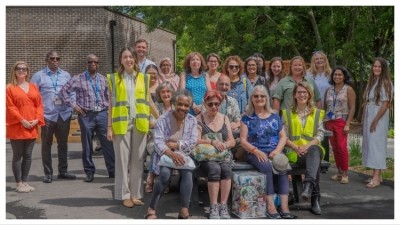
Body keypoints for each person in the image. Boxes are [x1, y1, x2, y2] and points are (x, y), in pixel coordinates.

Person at [106, 47, 153, 208]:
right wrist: (109, 127)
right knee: (122, 161)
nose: (129, 60)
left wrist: (160, 118)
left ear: (135, 59)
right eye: (125, 57)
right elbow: (110, 105)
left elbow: (148, 101)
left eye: (131, 57)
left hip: (140, 123)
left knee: (138, 161)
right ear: (121, 60)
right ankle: (124, 195)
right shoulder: (113, 78)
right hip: (121, 124)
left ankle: (135, 194)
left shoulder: (144, 77)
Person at [240, 85, 296, 219]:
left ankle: (284, 207)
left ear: (267, 98)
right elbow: (242, 141)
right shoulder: (247, 117)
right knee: (266, 167)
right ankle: (270, 207)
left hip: (274, 151)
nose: (259, 98)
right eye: (256, 96)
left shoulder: (275, 116)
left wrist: (277, 151)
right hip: (255, 152)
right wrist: (256, 151)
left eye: (262, 96)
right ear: (252, 99)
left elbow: (283, 137)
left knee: (282, 168)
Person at [59, 54, 115, 182]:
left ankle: (112, 171)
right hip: (86, 115)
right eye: (90, 61)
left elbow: (108, 97)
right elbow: (63, 92)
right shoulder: (78, 78)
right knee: (87, 145)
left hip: (102, 114)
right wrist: (74, 106)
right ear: (87, 63)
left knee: (108, 144)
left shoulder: (103, 79)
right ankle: (89, 172)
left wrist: (106, 109)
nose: (93, 63)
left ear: (98, 64)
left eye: (96, 61)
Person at [145, 90, 198, 219]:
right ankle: (151, 208)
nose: (183, 108)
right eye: (180, 104)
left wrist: (176, 145)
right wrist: (172, 154)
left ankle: (184, 210)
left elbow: (193, 141)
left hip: (183, 154)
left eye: (186, 106)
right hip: (166, 155)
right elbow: (158, 142)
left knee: (187, 173)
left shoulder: (192, 120)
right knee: (164, 174)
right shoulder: (163, 119)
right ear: (174, 103)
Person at [31, 51, 76, 183]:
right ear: (47, 60)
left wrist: (72, 107)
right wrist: (36, 114)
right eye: (52, 58)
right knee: (46, 144)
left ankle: (63, 171)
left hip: (64, 114)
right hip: (47, 115)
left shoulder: (66, 75)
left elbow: (72, 92)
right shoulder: (38, 76)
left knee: (63, 144)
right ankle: (48, 173)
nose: (55, 60)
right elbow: (33, 96)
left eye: (57, 58)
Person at [282, 82, 325, 215]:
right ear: (294, 95)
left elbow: (320, 133)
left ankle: (307, 187)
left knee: (315, 152)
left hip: (311, 150)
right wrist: (296, 148)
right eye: (299, 92)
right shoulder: (286, 113)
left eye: (305, 92)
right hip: (295, 153)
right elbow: (283, 135)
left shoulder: (317, 113)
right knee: (315, 160)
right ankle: (314, 197)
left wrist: (308, 146)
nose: (302, 95)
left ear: (309, 95)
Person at [196, 90, 236, 219]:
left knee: (226, 169)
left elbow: (232, 140)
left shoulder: (224, 118)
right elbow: (195, 140)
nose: (214, 107)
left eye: (217, 104)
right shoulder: (199, 119)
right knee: (214, 169)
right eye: (211, 104)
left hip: (223, 154)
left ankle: (223, 206)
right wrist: (212, 141)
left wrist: (226, 144)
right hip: (207, 155)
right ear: (205, 103)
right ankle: (213, 206)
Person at [6, 61, 45, 193]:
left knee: (28, 155)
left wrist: (37, 119)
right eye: (18, 68)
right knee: (18, 155)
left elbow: (39, 105)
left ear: (27, 72)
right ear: (14, 71)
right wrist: (22, 120)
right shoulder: (9, 88)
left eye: (24, 69)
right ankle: (18, 183)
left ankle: (25, 182)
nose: (21, 71)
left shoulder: (33, 86)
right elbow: (10, 107)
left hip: (32, 125)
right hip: (17, 126)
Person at [362, 57, 393, 188]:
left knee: (377, 145)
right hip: (370, 114)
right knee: (371, 144)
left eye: (379, 66)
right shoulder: (373, 81)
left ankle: (376, 177)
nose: (376, 68)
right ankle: (377, 175)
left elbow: (385, 104)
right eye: (375, 66)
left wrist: (375, 120)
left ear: (383, 68)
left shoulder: (386, 83)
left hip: (379, 116)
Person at [324, 66, 356, 184]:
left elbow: (352, 107)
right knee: (335, 147)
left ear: (344, 76)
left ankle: (344, 173)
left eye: (340, 75)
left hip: (341, 121)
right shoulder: (329, 90)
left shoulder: (348, 89)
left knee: (342, 147)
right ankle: (338, 171)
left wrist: (348, 123)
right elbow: (324, 106)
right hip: (329, 121)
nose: (337, 77)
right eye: (335, 75)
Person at [145, 81, 176, 194]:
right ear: (159, 94)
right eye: (163, 92)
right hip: (155, 139)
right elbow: (150, 123)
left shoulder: (176, 106)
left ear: (172, 93)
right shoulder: (156, 106)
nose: (166, 94)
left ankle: (152, 177)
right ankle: (160, 180)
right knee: (158, 148)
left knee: (165, 148)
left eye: (168, 91)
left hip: (173, 140)